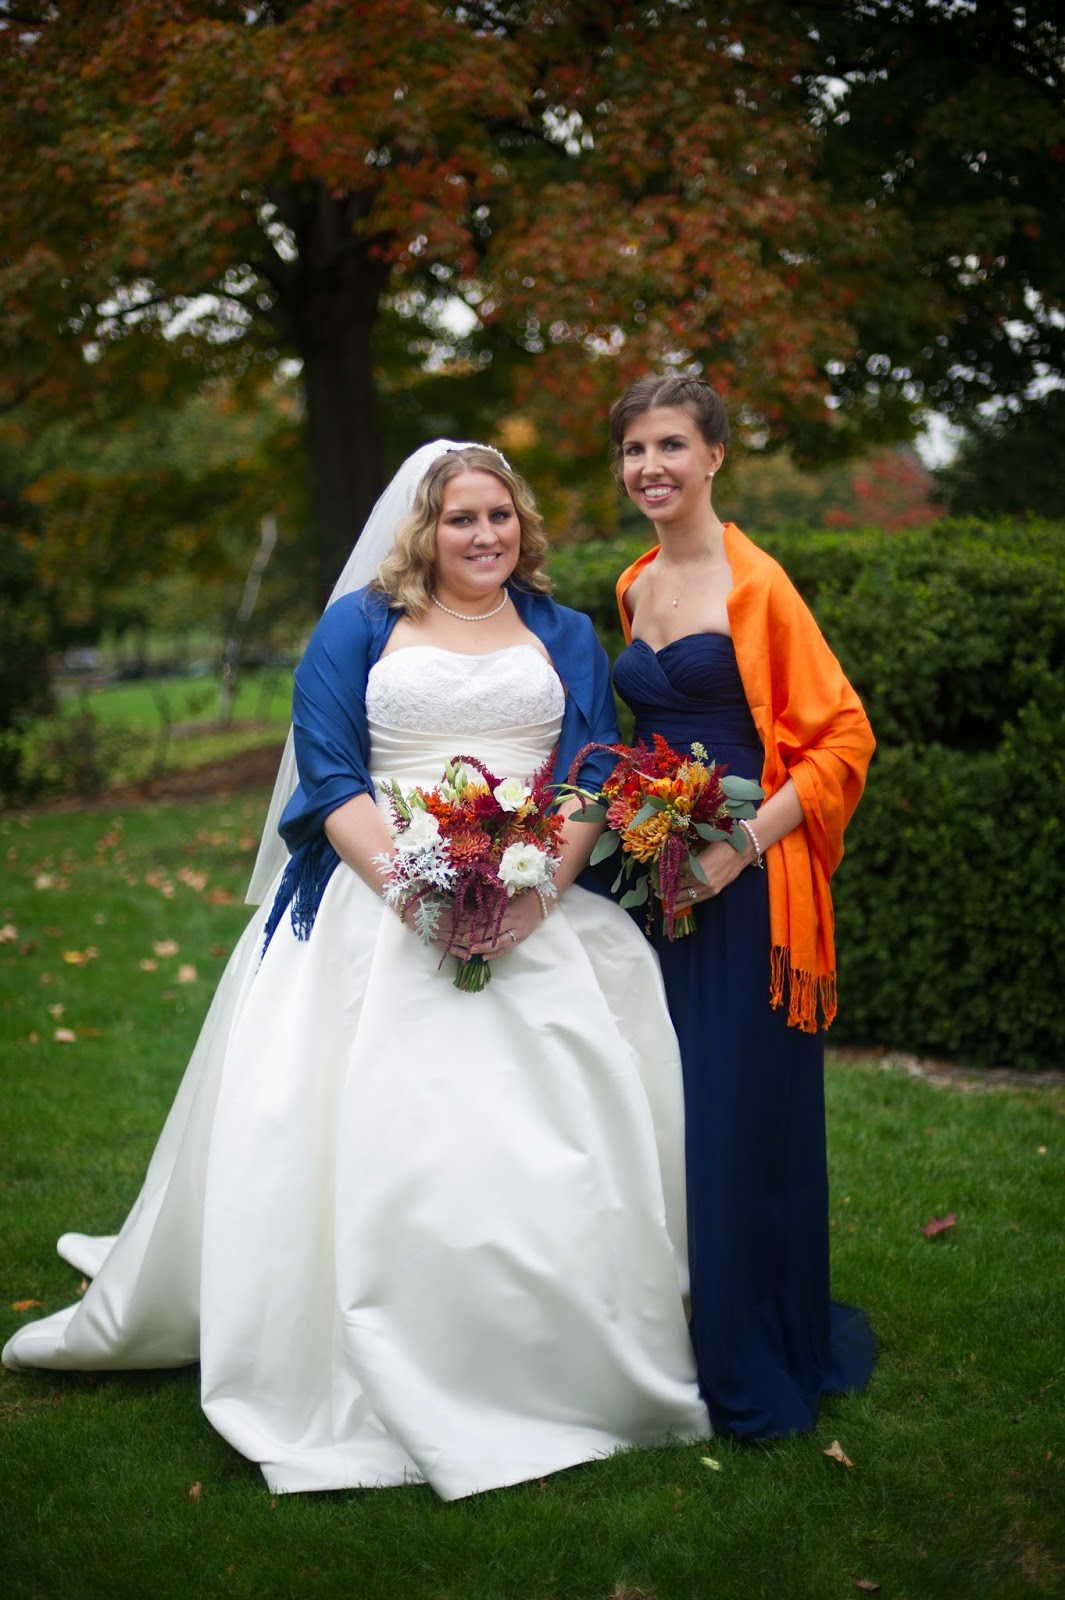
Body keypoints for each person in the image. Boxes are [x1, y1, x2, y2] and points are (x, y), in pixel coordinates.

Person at [4, 440, 709, 1500]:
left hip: (533, 896)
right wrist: (421, 898)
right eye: (461, 517)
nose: (484, 534)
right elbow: (332, 773)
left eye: (500, 515)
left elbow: (588, 770)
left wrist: (533, 894)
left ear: (522, 525)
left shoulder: (565, 631)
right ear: (424, 529)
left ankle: (563, 1343)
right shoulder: (358, 626)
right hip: (380, 896)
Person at [608, 374, 877, 1440]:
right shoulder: (633, 583)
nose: (651, 467)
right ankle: (677, 1322)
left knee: (735, 1113)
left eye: (671, 444)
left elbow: (843, 737)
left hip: (747, 885)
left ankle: (756, 1341)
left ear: (715, 455)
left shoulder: (756, 584)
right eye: (634, 449)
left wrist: (738, 851)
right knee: (668, 1112)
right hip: (656, 881)